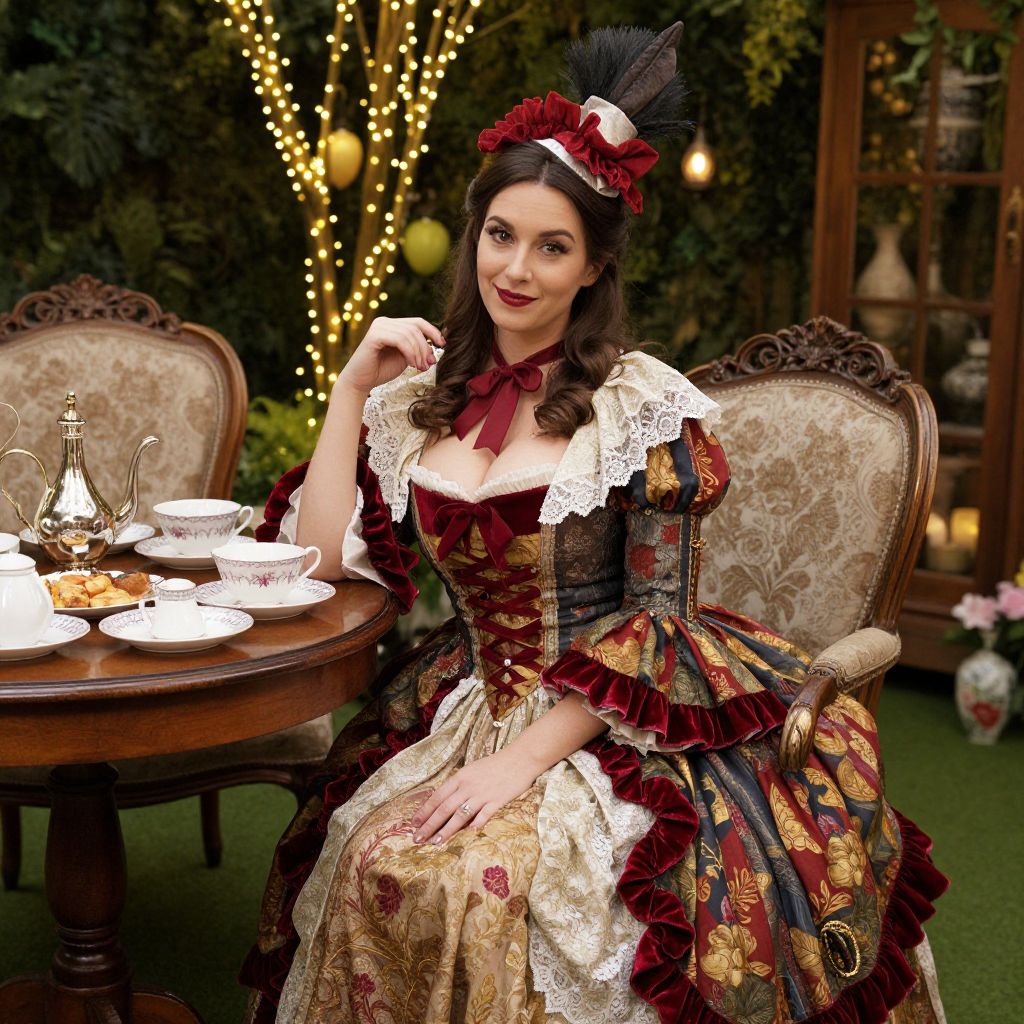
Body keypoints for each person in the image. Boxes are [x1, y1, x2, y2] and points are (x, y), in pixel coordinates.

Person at [240, 23, 946, 1024]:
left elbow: (660, 623)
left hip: (614, 721)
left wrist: (519, 761)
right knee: (372, 857)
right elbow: (316, 563)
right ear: (474, 234)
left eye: (552, 246)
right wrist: (352, 388)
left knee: (486, 890)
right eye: (501, 234)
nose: (517, 269)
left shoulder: (635, 412)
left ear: (593, 266)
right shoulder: (415, 402)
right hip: (469, 697)